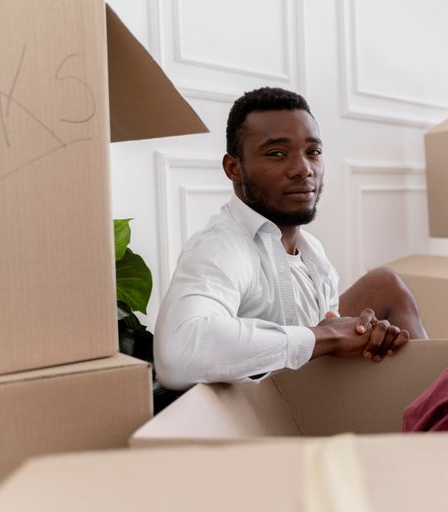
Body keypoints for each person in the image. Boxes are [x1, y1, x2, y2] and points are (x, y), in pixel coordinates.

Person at [155, 87, 427, 390]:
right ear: (233, 168)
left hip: (313, 393)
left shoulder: (312, 251)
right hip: (268, 420)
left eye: (313, 152)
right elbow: (177, 353)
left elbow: (327, 331)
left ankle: (447, 411)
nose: (303, 169)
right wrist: (327, 337)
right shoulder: (220, 246)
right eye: (277, 154)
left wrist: (363, 334)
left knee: (386, 284)